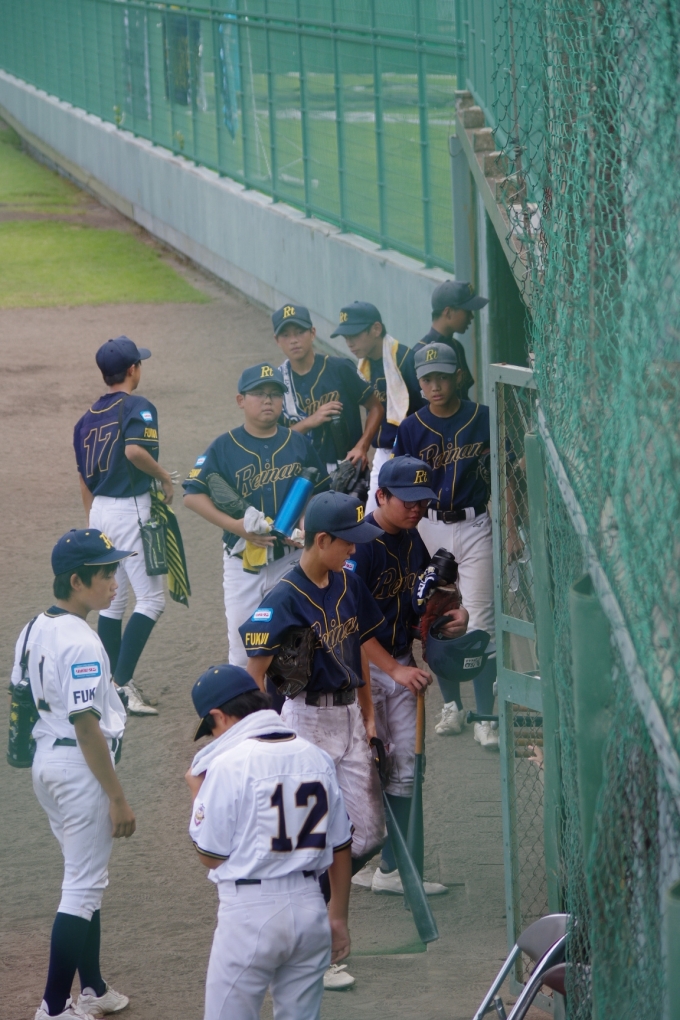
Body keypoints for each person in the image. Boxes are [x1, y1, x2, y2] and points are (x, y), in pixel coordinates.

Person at [240, 490, 387, 991]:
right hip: (303, 721)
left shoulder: (348, 582)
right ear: (321, 540)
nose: (354, 549)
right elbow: (253, 675)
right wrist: (263, 735)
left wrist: (368, 715)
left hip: (348, 716)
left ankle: (311, 919)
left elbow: (358, 648)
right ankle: (310, 947)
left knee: (365, 834)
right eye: (347, 542)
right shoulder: (282, 597)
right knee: (311, 840)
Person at [10, 529, 136, 1020]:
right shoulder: (81, 642)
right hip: (79, 768)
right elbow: (87, 727)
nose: (114, 581)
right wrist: (116, 797)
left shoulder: (33, 628)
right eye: (105, 573)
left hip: (47, 764)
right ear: (77, 581)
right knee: (82, 888)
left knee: (85, 877)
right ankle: (54, 1007)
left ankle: (94, 988)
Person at [185, 664, 352, 1020]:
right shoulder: (316, 756)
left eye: (211, 728)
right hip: (310, 908)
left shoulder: (228, 764)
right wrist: (338, 916)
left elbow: (210, 855)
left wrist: (198, 793)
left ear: (219, 716)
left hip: (249, 914)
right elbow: (340, 845)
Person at [346, 455, 470, 893]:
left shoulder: (411, 538)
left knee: (405, 771)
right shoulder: (359, 547)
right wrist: (395, 668)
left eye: (422, 501)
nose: (417, 509)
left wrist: (452, 619)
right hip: (361, 674)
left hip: (398, 666)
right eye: (408, 501)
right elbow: (351, 627)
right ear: (381, 496)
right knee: (363, 773)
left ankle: (393, 870)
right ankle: (342, 867)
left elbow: (421, 604)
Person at [182, 362, 330, 668]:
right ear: (241, 400)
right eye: (259, 393)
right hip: (242, 562)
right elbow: (192, 496)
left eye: (275, 394)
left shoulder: (298, 443)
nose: (268, 400)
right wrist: (236, 526)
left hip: (290, 559)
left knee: (296, 649)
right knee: (242, 651)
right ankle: (247, 700)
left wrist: (305, 523)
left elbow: (317, 493)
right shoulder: (223, 447)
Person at [393, 343, 498, 747]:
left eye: (442, 376)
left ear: (458, 376)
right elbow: (398, 485)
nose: (435, 385)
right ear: (419, 383)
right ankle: (453, 706)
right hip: (428, 527)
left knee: (481, 621)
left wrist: (511, 528)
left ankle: (486, 717)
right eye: (427, 378)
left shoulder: (482, 417)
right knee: (438, 617)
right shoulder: (411, 428)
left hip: (475, 524)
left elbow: (508, 467)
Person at [73, 335, 175, 716]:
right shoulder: (138, 406)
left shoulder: (85, 419)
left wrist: (93, 522)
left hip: (100, 509)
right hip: (130, 507)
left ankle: (111, 685)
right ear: (133, 370)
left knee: (113, 601)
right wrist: (164, 477)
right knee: (151, 600)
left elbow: (83, 478)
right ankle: (120, 683)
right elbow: (134, 450)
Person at [330, 301, 424, 512]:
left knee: (410, 515)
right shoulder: (364, 366)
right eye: (346, 337)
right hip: (383, 452)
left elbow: (426, 409)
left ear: (376, 329)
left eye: (354, 335)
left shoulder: (406, 359)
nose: (349, 343)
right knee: (372, 516)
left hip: (412, 452)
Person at [272, 303, 384, 472]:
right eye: (285, 335)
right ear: (277, 341)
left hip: (347, 469)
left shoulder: (340, 368)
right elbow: (275, 440)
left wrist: (362, 446)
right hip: (302, 474)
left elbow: (376, 407)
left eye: (300, 332)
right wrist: (311, 421)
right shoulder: (276, 383)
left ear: (313, 333)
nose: (293, 340)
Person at [413, 280, 488, 400]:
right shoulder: (419, 353)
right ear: (447, 312)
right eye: (467, 311)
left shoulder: (457, 346)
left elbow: (463, 395)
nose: (471, 316)